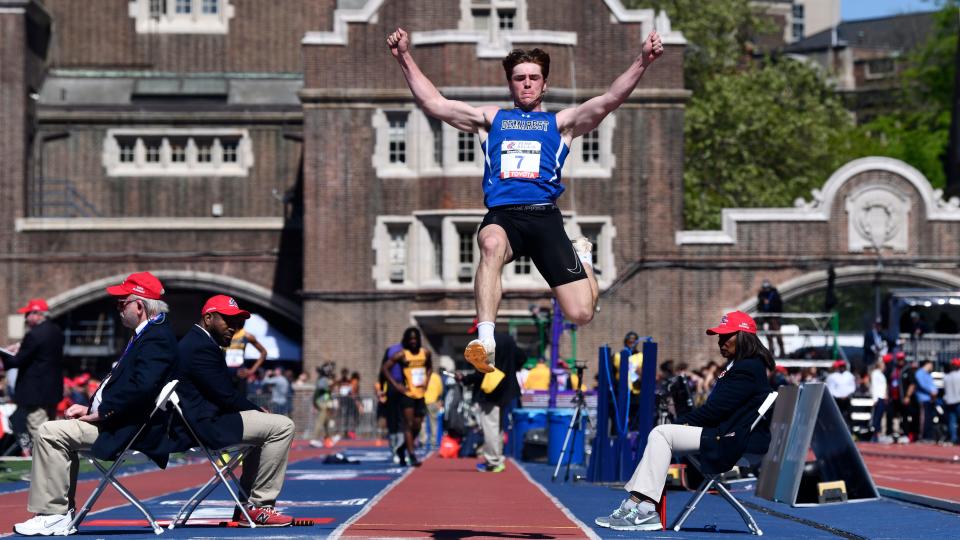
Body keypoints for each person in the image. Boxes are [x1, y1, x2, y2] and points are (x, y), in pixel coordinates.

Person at [386, 27, 664, 374]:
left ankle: (584, 259)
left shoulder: (561, 124)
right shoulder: (491, 120)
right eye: (520, 78)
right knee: (489, 245)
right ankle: (485, 340)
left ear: (544, 84)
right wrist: (404, 58)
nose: (527, 83)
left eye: (534, 77)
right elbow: (434, 103)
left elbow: (609, 99)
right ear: (511, 85)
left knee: (581, 314)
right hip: (504, 217)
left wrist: (643, 61)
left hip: (544, 219)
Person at [13, 272, 178, 536]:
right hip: (116, 421)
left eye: (121, 303)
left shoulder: (157, 338)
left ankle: (53, 513)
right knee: (59, 431)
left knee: (49, 431)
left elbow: (142, 388)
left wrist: (102, 412)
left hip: (125, 429)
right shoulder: (148, 334)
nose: (118, 309)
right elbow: (129, 385)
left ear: (139, 305)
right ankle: (60, 512)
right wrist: (90, 409)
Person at [594, 311, 773, 532]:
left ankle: (645, 509)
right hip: (726, 434)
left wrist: (683, 422)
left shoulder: (748, 368)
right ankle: (636, 505)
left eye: (726, 336)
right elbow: (717, 410)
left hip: (731, 440)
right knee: (662, 433)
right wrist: (685, 422)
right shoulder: (745, 366)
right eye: (719, 336)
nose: (720, 341)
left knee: (662, 433)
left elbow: (715, 410)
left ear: (744, 337)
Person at [167, 294, 296, 527]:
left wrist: (256, 413)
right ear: (208, 318)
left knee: (264, 432)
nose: (234, 328)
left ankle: (247, 509)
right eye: (228, 321)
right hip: (205, 425)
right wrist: (258, 411)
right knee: (283, 426)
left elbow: (223, 394)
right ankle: (260, 506)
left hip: (202, 420)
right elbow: (226, 396)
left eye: (239, 323)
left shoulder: (197, 342)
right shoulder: (200, 347)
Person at [4, 298, 65, 456]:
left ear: (37, 314)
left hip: (36, 393)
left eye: (28, 314)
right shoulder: (56, 330)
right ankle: (53, 465)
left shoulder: (35, 334)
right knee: (50, 430)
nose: (26, 318)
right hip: (52, 391)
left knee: (38, 430)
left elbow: (18, 360)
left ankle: (43, 471)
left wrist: (5, 354)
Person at [460, 321, 523, 473]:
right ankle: (498, 459)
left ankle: (492, 461)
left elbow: (481, 372)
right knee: (499, 427)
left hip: (490, 391)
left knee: (490, 427)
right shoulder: (508, 340)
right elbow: (522, 358)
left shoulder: (484, 343)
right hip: (507, 389)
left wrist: (464, 379)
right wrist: (508, 370)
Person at [382, 327, 433, 467]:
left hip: (420, 394)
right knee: (409, 425)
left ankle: (402, 448)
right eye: (410, 339)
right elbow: (385, 368)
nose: (413, 342)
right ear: (406, 340)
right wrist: (396, 385)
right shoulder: (402, 355)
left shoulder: (426, 353)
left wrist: (427, 381)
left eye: (415, 339)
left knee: (417, 425)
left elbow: (430, 367)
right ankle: (412, 456)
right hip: (407, 394)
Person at [223, 327, 267, 399]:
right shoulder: (223, 334)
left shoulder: (246, 335)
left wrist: (251, 371)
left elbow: (264, 352)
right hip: (225, 374)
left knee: (240, 403)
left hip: (240, 374)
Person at [756, 279, 785, 358]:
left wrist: (771, 307)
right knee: (768, 336)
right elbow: (759, 307)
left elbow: (779, 306)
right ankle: (771, 352)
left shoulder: (774, 295)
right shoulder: (761, 296)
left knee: (777, 334)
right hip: (766, 318)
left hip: (774, 318)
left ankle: (782, 353)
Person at [825, 360, 856, 430]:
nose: (842, 368)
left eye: (843, 366)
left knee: (848, 415)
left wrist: (846, 395)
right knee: (836, 415)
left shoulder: (849, 375)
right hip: (837, 399)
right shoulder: (832, 376)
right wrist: (839, 396)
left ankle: (849, 430)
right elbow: (830, 389)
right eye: (840, 366)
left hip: (847, 399)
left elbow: (852, 387)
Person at [913, 360, 938, 441]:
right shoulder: (920, 373)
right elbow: (922, 384)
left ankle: (928, 436)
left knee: (929, 418)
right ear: (927, 364)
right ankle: (922, 436)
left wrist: (934, 392)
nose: (932, 366)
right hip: (923, 399)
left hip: (930, 399)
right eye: (931, 364)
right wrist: (932, 391)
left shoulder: (928, 374)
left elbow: (933, 386)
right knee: (924, 419)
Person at [869, 358, 888, 442]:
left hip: (882, 397)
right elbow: (874, 386)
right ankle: (875, 435)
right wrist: (875, 398)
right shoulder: (875, 373)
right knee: (876, 417)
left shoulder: (881, 374)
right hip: (878, 397)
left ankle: (877, 434)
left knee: (880, 416)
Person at [944, 358, 960, 445]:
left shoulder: (946, 377)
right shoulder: (958, 375)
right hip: (958, 401)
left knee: (952, 422)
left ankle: (953, 438)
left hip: (949, 401)